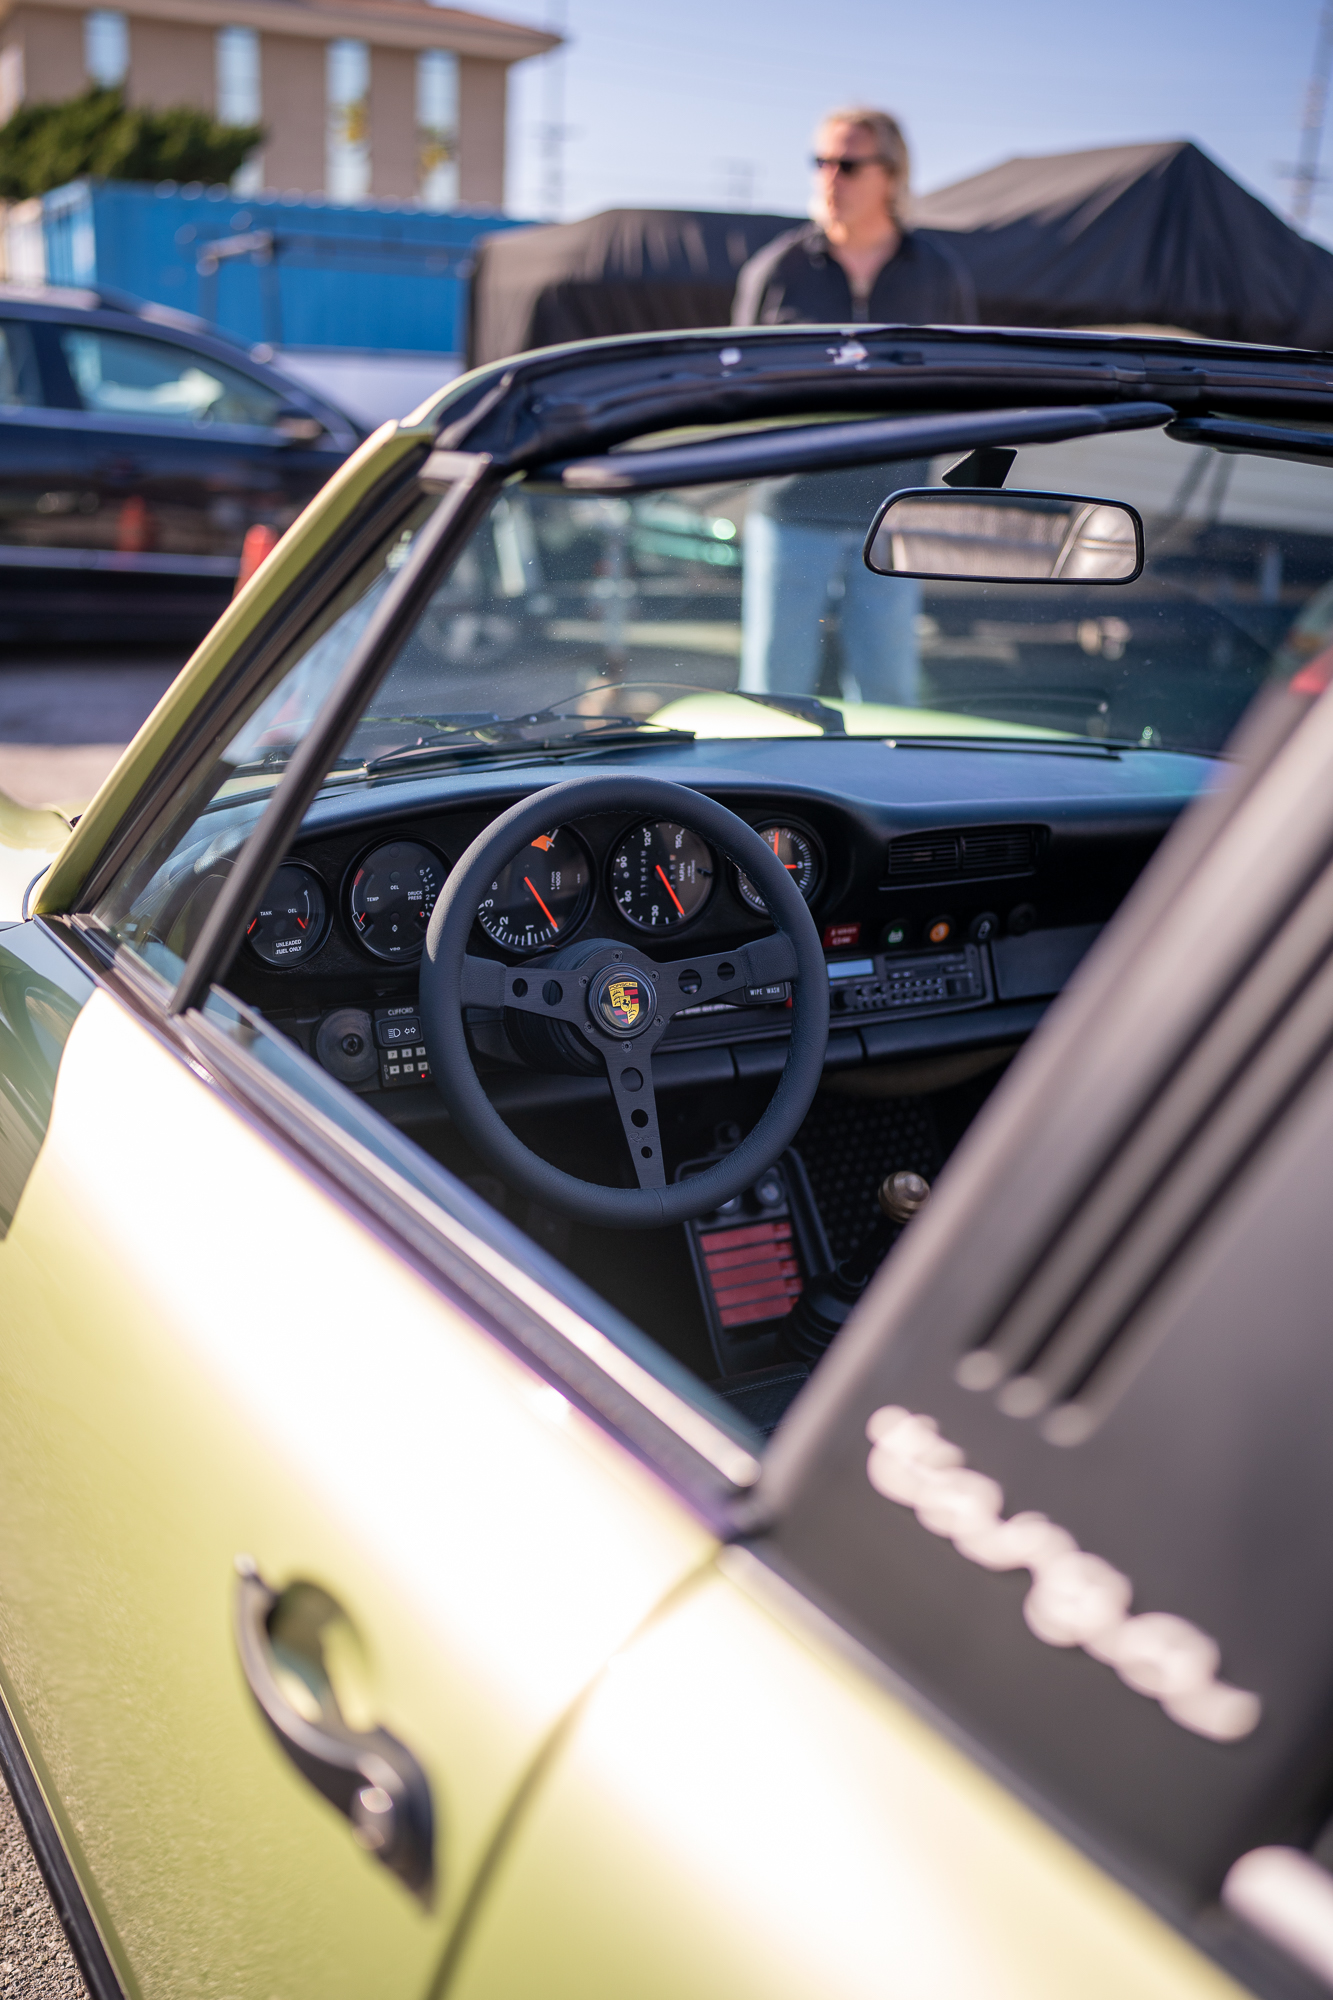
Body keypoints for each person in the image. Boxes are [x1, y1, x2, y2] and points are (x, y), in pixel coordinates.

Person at [732, 108, 975, 707]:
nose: (828, 178)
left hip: (894, 514)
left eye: (847, 164)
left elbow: (969, 387)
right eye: (820, 162)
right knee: (772, 697)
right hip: (790, 511)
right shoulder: (776, 272)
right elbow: (737, 389)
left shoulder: (937, 273)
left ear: (891, 175)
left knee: (889, 698)